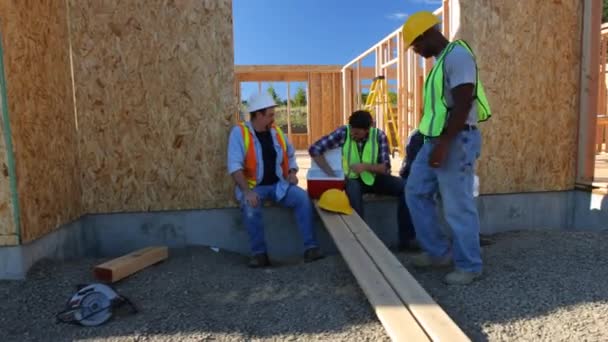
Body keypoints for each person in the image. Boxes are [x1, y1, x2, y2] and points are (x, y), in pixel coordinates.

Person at [401, 11, 492, 285]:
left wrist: (444, 145)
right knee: (415, 192)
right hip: (434, 140)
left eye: (416, 44)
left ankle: (470, 266)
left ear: (428, 34)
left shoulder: (457, 57)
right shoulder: (440, 62)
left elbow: (463, 103)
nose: (415, 50)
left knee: (457, 204)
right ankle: (439, 252)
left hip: (455, 140)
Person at [227, 92, 324, 268]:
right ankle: (259, 254)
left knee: (302, 198)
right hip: (253, 187)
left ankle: (311, 248)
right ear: (258, 114)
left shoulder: (276, 132)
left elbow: (291, 155)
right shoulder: (239, 133)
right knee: (250, 206)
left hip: (280, 185)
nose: (274, 118)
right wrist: (247, 192)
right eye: (270, 114)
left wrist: (293, 172)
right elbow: (234, 165)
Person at [308, 110, 418, 251]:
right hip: (351, 179)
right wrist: (331, 174)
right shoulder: (343, 132)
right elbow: (315, 149)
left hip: (374, 178)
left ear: (368, 130)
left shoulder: (378, 136)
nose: (353, 135)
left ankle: (407, 240)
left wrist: (365, 167)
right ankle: (360, 242)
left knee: (406, 187)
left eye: (357, 133)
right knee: (353, 194)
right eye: (352, 131)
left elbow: (385, 168)